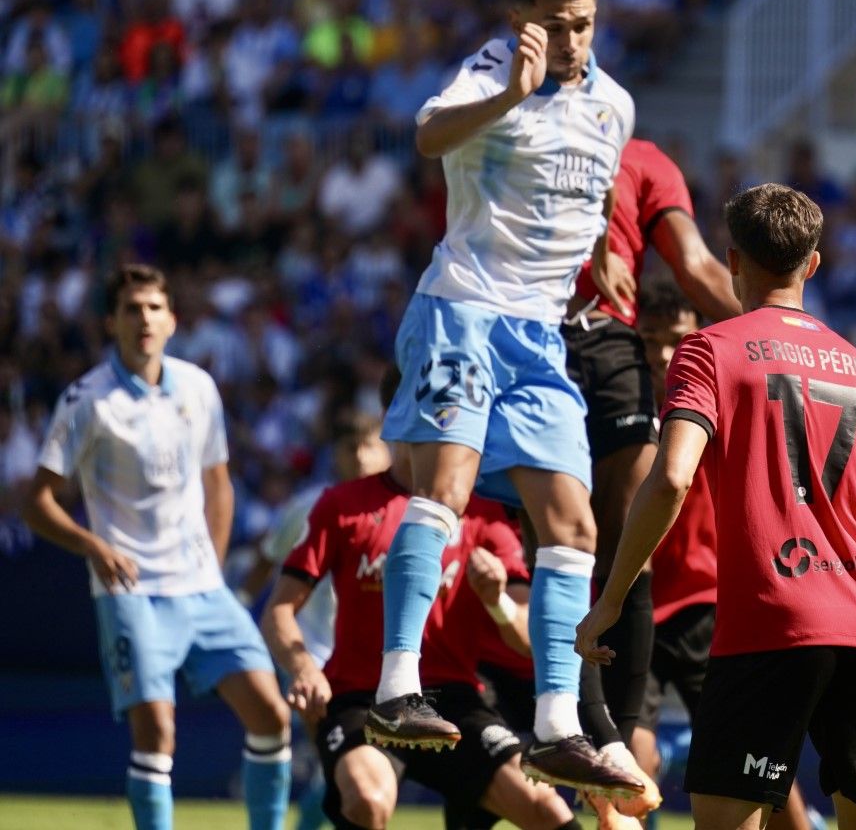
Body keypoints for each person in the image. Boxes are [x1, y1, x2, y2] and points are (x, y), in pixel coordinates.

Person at [368, 0, 644, 797]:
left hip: (540, 336)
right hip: (461, 308)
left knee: (574, 525)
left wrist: (602, 253)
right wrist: (511, 95)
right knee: (444, 490)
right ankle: (396, 689)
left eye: (583, 23)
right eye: (555, 24)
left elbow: (585, 194)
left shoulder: (615, 106)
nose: (571, 40)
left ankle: (558, 725)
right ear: (522, 18)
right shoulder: (490, 71)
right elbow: (427, 138)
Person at [577, 183, 856, 830]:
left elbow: (669, 479)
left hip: (766, 624)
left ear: (733, 260)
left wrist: (610, 601)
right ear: (814, 263)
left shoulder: (709, 350)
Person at [22, 264, 292, 830]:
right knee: (158, 735)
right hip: (132, 592)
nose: (143, 318)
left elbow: (219, 483)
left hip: (202, 588)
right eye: (131, 308)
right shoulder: (87, 401)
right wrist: (92, 546)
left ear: (172, 319)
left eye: (153, 307)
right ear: (111, 322)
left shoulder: (198, 387)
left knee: (272, 715)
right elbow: (37, 502)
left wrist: (214, 569)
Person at [260, 369, 580, 830]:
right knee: (368, 801)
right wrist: (304, 667)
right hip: (361, 699)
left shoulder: (483, 513)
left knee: (549, 811)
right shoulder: (340, 505)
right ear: (397, 418)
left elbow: (530, 637)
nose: (450, 424)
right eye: (438, 410)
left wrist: (498, 603)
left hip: (453, 700)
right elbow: (280, 609)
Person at [563, 135, 741, 802]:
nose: (665, 355)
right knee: (567, 546)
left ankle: (602, 740)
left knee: (748, 765)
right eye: (653, 342)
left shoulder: (639, 159)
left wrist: (781, 341)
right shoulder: (502, 133)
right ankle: (596, 738)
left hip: (695, 601)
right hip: (524, 338)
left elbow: (694, 264)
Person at [627, 281, 815, 830]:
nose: (662, 353)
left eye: (673, 339)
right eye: (648, 339)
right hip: (634, 605)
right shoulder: (613, 408)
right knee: (633, 761)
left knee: (761, 768)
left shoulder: (723, 387)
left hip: (708, 603)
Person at [240, 409, 393, 830]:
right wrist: (237, 605)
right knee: (338, 759)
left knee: (341, 765)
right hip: (309, 656)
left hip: (367, 667)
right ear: (336, 455)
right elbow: (266, 563)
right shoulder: (308, 507)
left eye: (370, 445)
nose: (361, 457)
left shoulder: (405, 513)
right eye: (351, 448)